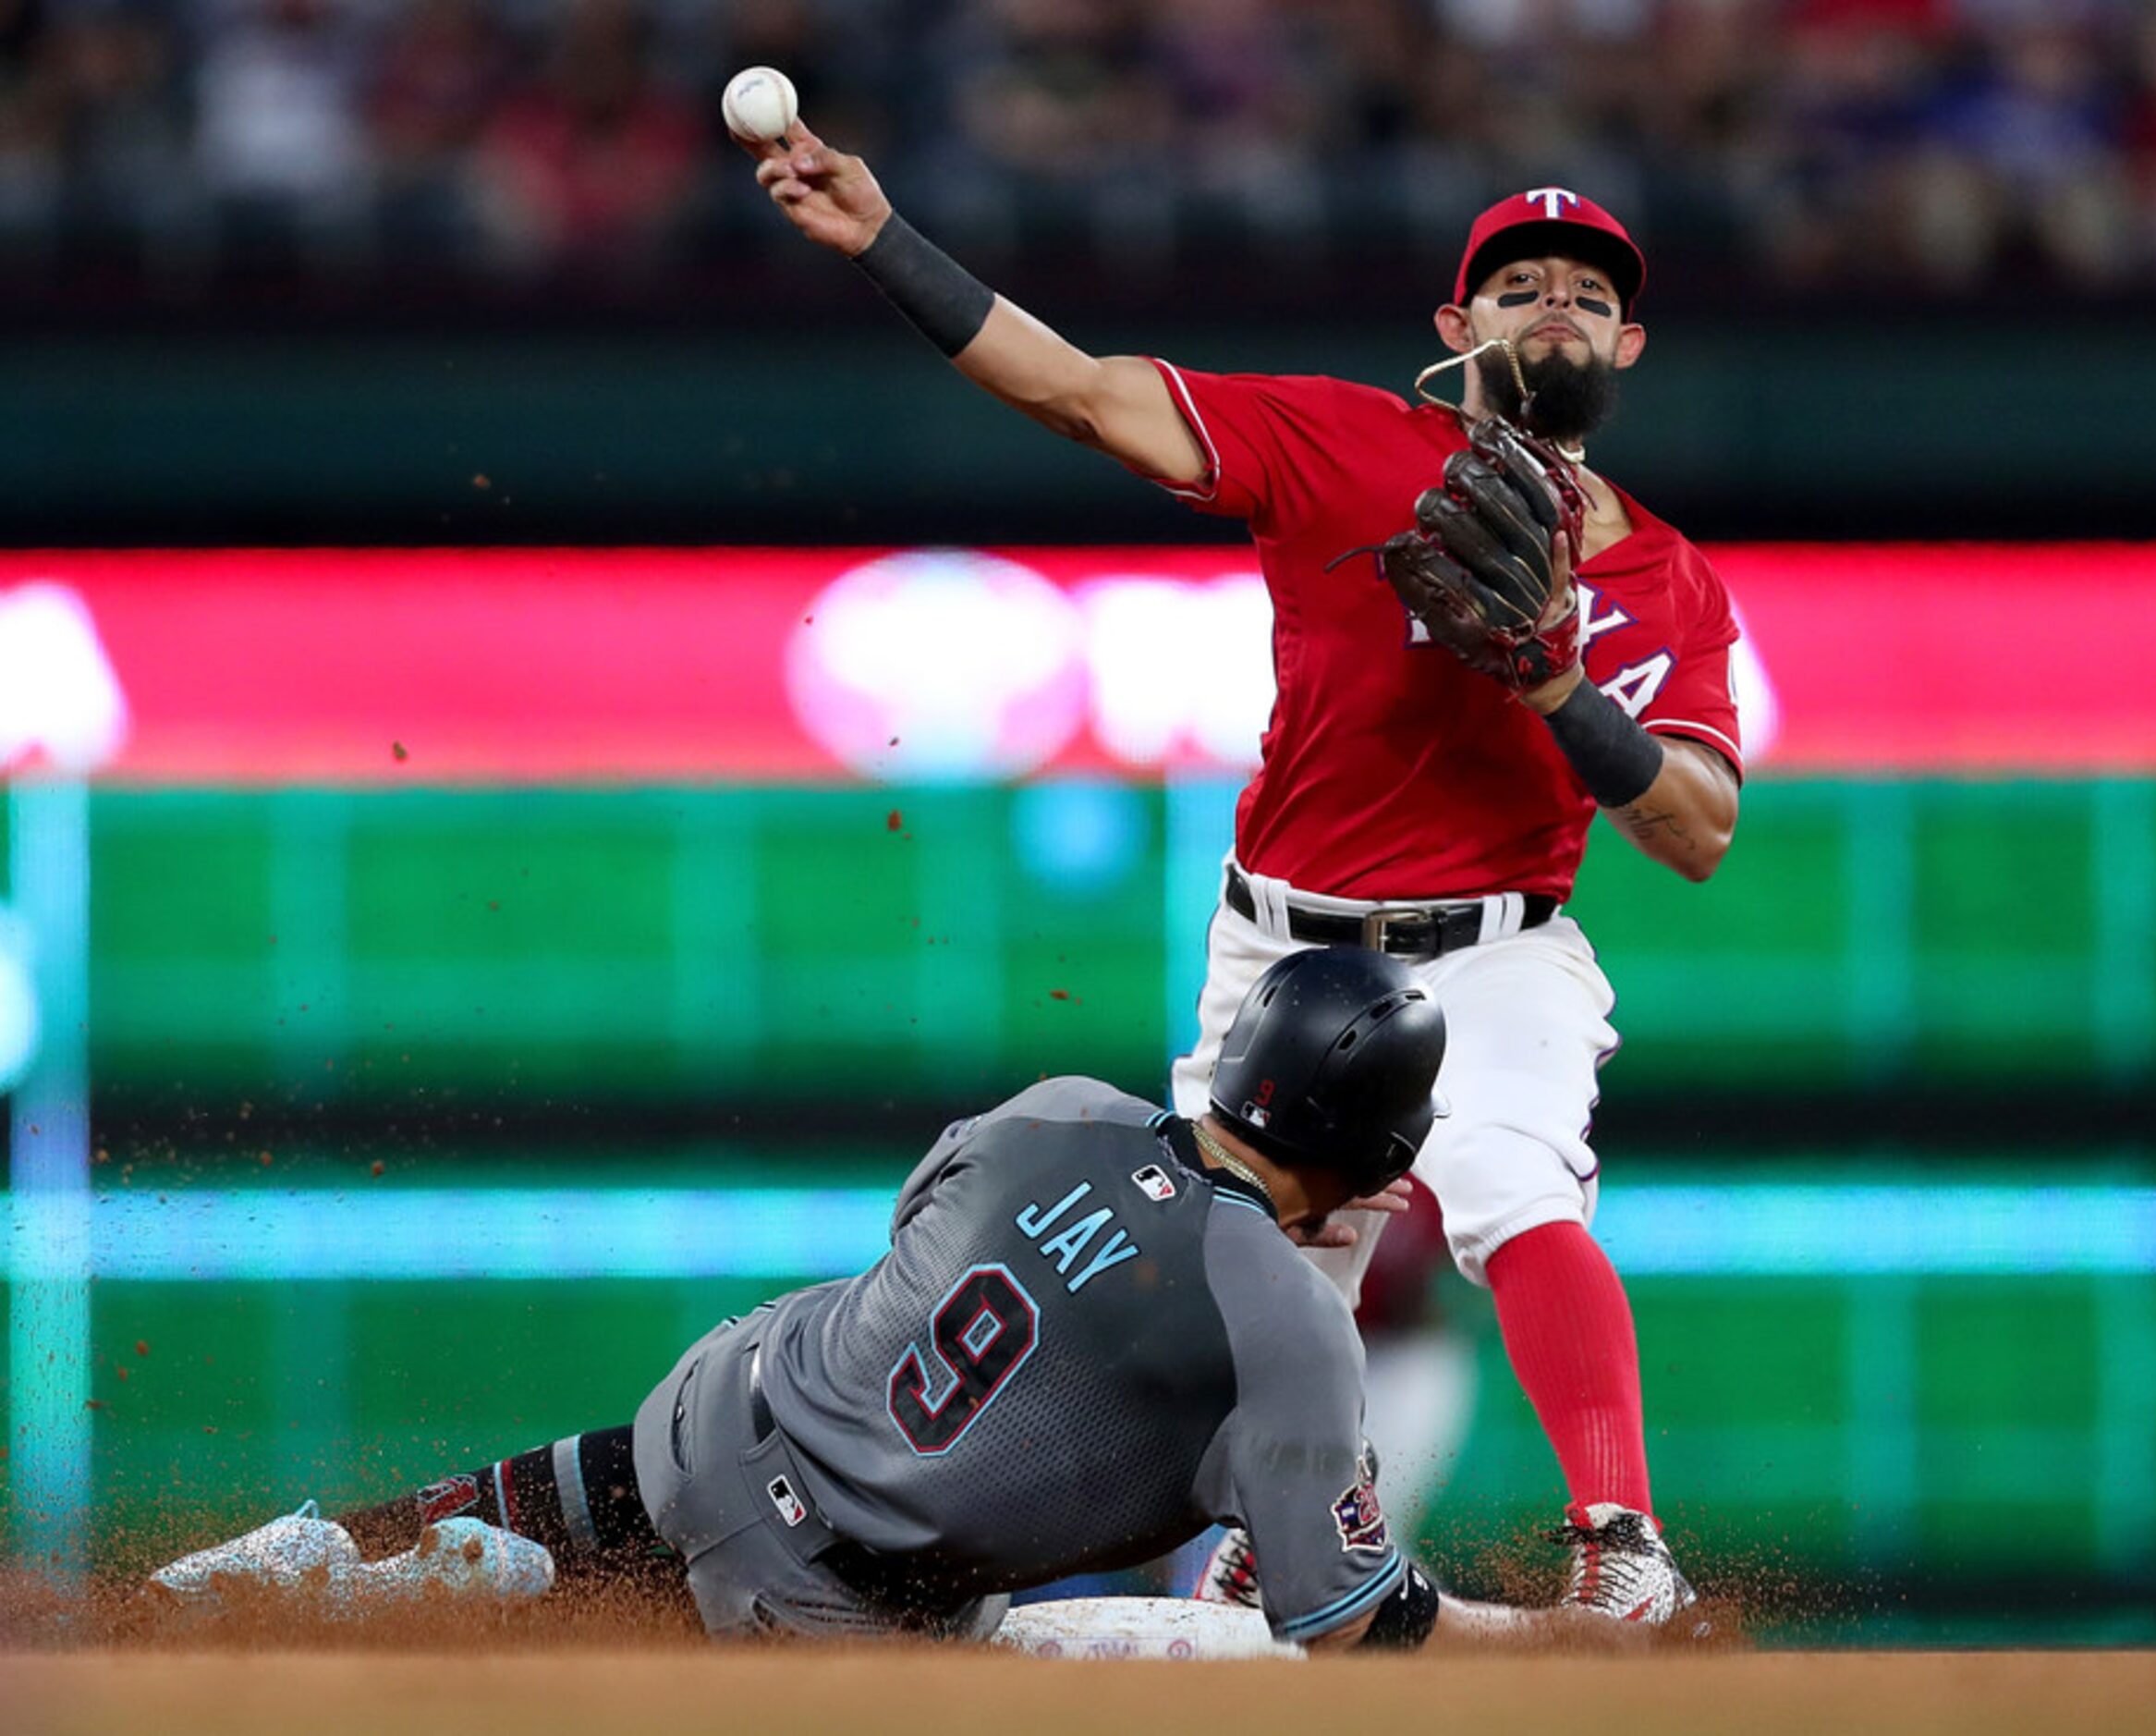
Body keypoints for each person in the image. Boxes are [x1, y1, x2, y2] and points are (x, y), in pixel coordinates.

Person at [738, 113, 1744, 1625]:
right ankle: (1259, 1540)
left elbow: (1694, 826)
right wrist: (884, 238)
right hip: (1280, 945)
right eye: (1524, 283)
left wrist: (1554, 686)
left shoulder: (1661, 575)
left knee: (1500, 1176)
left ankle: (1620, 1542)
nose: (1559, 308)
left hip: (1497, 944)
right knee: (1226, 1265)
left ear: (1633, 342)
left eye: (1590, 294)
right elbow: (1080, 395)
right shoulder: (1342, 441)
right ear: (1454, 327)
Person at [149, 947, 1650, 1654]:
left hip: (714, 1404)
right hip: (828, 1605)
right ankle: (485, 1595)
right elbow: (1344, 1618)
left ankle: (323, 1555)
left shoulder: (1052, 1105)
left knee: (626, 1480)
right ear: (1389, 1162)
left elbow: (928, 1239)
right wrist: (1553, 1644)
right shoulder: (1295, 1326)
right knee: (1202, 1658)